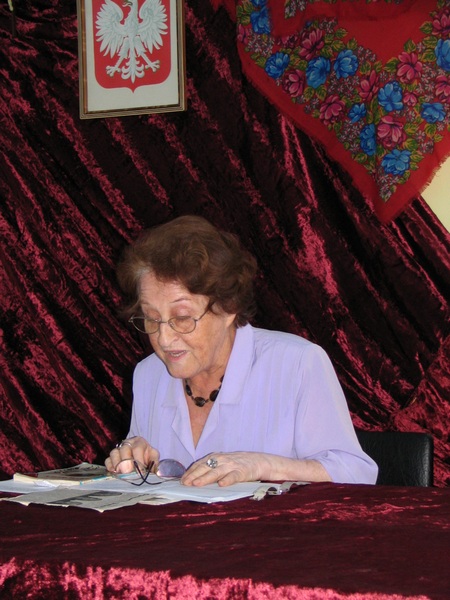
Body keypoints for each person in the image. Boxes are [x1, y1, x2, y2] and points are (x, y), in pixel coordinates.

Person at [106, 215, 378, 487]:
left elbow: (356, 474)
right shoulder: (149, 374)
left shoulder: (297, 364)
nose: (164, 339)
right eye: (151, 319)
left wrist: (261, 465)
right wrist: (132, 458)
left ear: (228, 308)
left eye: (183, 318)